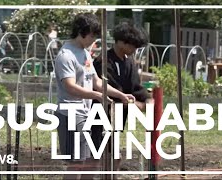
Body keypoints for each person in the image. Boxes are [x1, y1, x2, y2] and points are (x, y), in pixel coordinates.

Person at [54, 13, 135, 180]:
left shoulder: (84, 53)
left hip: (84, 114)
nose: (94, 39)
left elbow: (96, 81)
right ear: (81, 32)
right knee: (75, 164)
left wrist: (120, 94)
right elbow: (70, 86)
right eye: (92, 35)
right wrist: (97, 96)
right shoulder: (66, 55)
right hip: (70, 114)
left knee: (90, 161)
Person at [91, 22, 154, 175]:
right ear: (120, 42)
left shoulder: (129, 63)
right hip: (101, 114)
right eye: (132, 45)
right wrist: (134, 105)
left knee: (114, 156)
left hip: (119, 117)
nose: (134, 50)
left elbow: (135, 87)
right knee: (98, 153)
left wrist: (148, 100)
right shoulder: (103, 61)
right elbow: (113, 90)